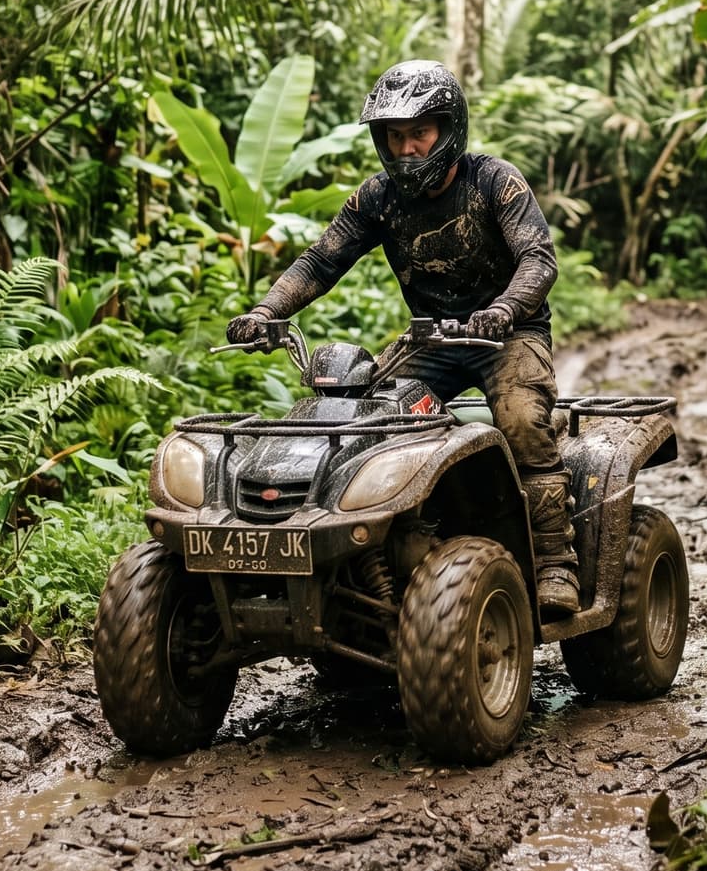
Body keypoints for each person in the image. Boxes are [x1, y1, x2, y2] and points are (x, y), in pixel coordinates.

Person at [225, 60, 580, 615]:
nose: (408, 147)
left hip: (508, 335)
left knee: (519, 419)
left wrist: (506, 308)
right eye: (396, 136)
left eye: (420, 133)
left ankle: (557, 565)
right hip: (429, 341)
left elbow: (538, 258)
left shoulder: (495, 180)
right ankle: (406, 548)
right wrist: (267, 309)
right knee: (365, 419)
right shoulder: (376, 197)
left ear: (448, 128)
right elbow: (321, 260)